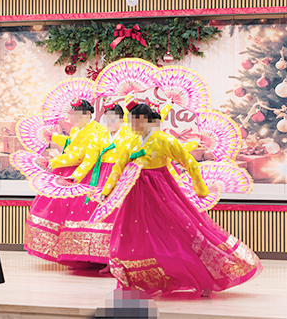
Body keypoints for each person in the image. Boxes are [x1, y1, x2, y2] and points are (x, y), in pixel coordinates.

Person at [99, 103, 262, 296]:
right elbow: (118, 167)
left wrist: (200, 188)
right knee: (130, 236)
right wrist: (107, 190)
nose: (130, 124)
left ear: (143, 120)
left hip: (160, 192)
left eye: (133, 120)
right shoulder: (130, 141)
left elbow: (189, 162)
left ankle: (204, 278)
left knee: (181, 232)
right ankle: (140, 281)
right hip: (134, 194)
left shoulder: (164, 140)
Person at [54, 101, 136, 268]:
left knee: (115, 216)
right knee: (92, 215)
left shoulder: (130, 135)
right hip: (100, 178)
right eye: (107, 118)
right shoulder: (100, 135)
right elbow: (89, 159)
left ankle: (115, 260)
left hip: (120, 176)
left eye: (114, 118)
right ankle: (92, 257)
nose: (110, 122)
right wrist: (75, 176)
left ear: (121, 119)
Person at [24, 98, 104, 264]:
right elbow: (71, 142)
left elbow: (78, 156)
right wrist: (54, 137)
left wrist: (52, 162)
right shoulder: (79, 128)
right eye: (72, 115)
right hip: (69, 170)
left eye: (76, 115)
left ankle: (80, 255)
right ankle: (65, 251)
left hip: (82, 174)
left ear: (87, 115)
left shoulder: (93, 132)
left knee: (77, 214)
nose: (73, 118)